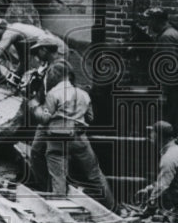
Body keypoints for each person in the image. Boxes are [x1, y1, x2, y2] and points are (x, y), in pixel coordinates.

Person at [28, 57, 115, 208]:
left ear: (55, 76)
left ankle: (61, 216)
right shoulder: (84, 94)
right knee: (95, 175)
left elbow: (44, 118)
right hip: (80, 139)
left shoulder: (53, 94)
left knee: (58, 178)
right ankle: (113, 207)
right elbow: (90, 117)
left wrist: (35, 106)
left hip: (57, 140)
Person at [143, 7, 178, 132]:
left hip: (176, 88)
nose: (148, 24)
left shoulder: (167, 37)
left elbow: (168, 68)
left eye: (150, 20)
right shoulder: (171, 34)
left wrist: (163, 93)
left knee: (170, 126)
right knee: (173, 124)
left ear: (157, 20)